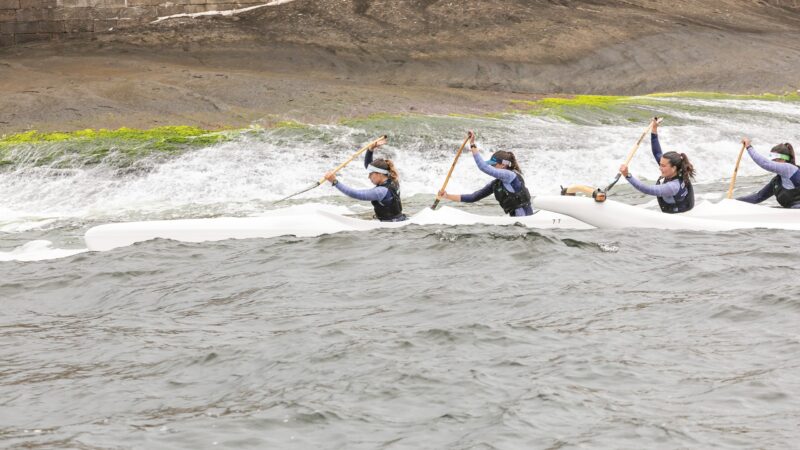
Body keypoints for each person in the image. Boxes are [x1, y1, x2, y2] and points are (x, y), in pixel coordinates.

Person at [437, 131, 534, 216]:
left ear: (503, 165)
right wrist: (447, 196)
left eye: (494, 164)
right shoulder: (496, 184)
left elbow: (483, 167)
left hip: (525, 221)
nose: (492, 167)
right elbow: (473, 197)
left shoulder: (510, 175)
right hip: (516, 222)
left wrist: (472, 144)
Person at [619, 118, 695, 213]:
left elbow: (648, 189)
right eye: (660, 164)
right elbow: (657, 152)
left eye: (663, 166)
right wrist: (654, 129)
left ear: (674, 168)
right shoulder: (680, 167)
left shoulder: (672, 187)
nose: (660, 167)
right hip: (684, 207)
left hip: (678, 216)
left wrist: (627, 175)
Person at [324, 137, 407, 221]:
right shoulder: (392, 178)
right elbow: (369, 166)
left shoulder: (380, 191)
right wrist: (370, 149)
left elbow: (355, 194)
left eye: (371, 174)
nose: (369, 177)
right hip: (399, 219)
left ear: (380, 174)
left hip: (390, 226)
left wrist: (334, 182)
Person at [736, 138, 800, 208]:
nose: (773, 163)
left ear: (783, 159)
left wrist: (748, 147)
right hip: (791, 212)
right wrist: (735, 201)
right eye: (772, 160)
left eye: (775, 160)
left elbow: (765, 164)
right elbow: (758, 197)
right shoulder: (776, 182)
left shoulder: (789, 168)